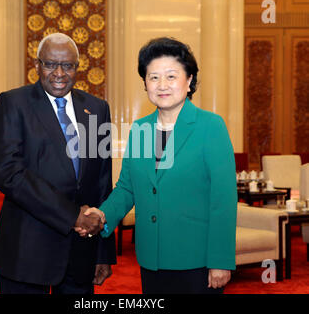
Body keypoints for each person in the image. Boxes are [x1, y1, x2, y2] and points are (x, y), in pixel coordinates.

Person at [79, 37, 237, 294]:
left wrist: (220, 260)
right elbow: (127, 189)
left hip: (197, 262)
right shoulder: (141, 129)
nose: (162, 85)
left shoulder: (211, 126)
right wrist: (102, 215)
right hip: (152, 259)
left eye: (171, 76)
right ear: (145, 84)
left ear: (189, 81)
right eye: (153, 77)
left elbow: (223, 200)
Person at [0, 33, 116, 294]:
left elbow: (101, 181)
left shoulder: (97, 108)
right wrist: (72, 215)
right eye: (50, 64)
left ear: (77, 68)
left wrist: (103, 252)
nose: (59, 73)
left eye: (68, 65)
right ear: (37, 66)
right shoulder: (13, 103)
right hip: (26, 250)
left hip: (81, 250)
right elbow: (9, 174)